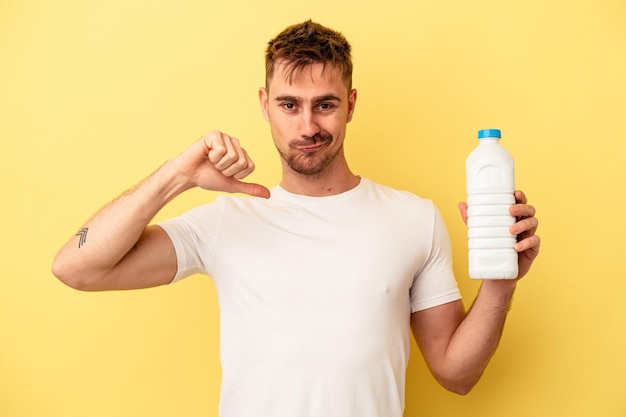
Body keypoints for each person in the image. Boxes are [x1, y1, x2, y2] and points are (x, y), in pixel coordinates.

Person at [52, 20, 540, 417]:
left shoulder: (414, 219)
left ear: (350, 104)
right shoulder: (228, 221)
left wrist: (501, 283)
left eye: (325, 105)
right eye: (290, 105)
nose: (308, 127)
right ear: (266, 105)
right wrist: (177, 176)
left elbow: (457, 376)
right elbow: (77, 267)